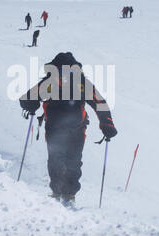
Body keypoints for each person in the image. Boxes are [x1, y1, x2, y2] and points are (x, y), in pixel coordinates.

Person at [19, 52, 117, 206]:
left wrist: (31, 105)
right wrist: (107, 124)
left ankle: (58, 193)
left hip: (55, 127)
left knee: (56, 160)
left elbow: (28, 98)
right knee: (73, 160)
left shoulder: (51, 81)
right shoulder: (80, 82)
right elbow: (100, 103)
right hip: (76, 128)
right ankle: (69, 194)